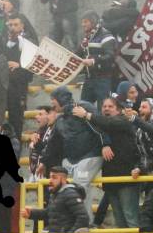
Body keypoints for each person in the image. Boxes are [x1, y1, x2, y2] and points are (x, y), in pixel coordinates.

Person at [74, 98, 141, 229]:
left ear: (119, 110)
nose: (106, 108)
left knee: (131, 218)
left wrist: (87, 115)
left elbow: (109, 123)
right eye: (104, 106)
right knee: (120, 222)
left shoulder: (123, 121)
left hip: (127, 177)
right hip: (110, 179)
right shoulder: (101, 126)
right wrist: (104, 144)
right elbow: (102, 126)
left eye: (110, 106)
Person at [38, 87, 105, 217]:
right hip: (71, 160)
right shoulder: (60, 120)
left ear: (61, 99)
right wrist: (43, 162)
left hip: (91, 154)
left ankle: (84, 223)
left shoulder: (84, 107)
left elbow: (100, 126)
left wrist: (106, 144)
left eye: (53, 99)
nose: (52, 103)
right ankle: (75, 221)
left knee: (80, 185)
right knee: (66, 186)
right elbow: (52, 143)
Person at [2, 15, 36, 138]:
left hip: (19, 86)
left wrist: (19, 65)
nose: (13, 28)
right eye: (10, 25)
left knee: (16, 121)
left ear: (22, 25)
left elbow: (35, 64)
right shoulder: (4, 40)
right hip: (4, 85)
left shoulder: (28, 42)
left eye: (16, 25)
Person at [77, 11, 117, 110]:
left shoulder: (106, 35)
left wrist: (93, 61)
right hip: (89, 79)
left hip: (102, 80)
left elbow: (111, 56)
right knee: (83, 108)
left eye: (86, 22)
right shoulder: (87, 37)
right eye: (82, 22)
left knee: (103, 110)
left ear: (93, 22)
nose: (83, 25)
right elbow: (77, 53)